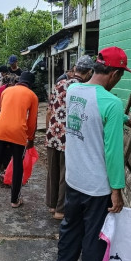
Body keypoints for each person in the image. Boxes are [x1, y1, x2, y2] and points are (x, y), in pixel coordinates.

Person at [53, 46, 131, 261]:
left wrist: (122, 118)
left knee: (70, 227)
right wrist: (117, 191)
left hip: (74, 179)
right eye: (120, 75)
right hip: (97, 186)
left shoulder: (74, 90)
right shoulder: (112, 102)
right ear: (114, 74)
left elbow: (90, 114)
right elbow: (112, 154)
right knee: (93, 238)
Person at [46, 55, 95, 221]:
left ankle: (52, 205)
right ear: (89, 72)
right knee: (65, 174)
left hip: (53, 133)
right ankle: (60, 210)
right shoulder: (84, 88)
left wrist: (49, 130)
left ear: (75, 68)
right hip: (69, 137)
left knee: (53, 171)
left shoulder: (59, 84)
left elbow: (49, 110)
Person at [0, 71, 38, 217]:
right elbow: (32, 122)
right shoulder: (32, 96)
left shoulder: (6, 91)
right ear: (31, 84)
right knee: (17, 166)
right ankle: (14, 200)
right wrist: (30, 140)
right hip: (18, 133)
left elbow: (2, 112)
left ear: (19, 80)